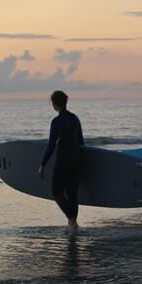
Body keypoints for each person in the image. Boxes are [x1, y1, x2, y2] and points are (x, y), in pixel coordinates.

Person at [37, 89, 84, 233]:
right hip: (76, 161)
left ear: (54, 104)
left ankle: (71, 220)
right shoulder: (75, 119)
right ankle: (73, 223)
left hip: (63, 162)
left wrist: (43, 165)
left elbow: (52, 145)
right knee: (72, 194)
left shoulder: (57, 121)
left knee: (56, 192)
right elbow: (81, 143)